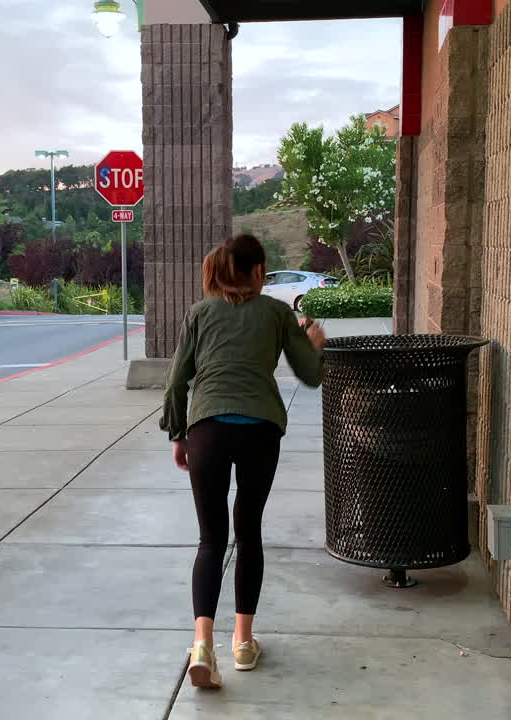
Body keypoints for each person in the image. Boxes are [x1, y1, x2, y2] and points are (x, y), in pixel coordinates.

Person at [161, 233, 327, 690]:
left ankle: (201, 646)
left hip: (207, 430)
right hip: (260, 429)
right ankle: (243, 643)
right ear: (257, 272)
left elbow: (177, 381)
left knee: (210, 540)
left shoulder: (199, 313)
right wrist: (315, 340)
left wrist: (178, 433)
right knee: (248, 530)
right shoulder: (277, 313)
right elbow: (310, 377)